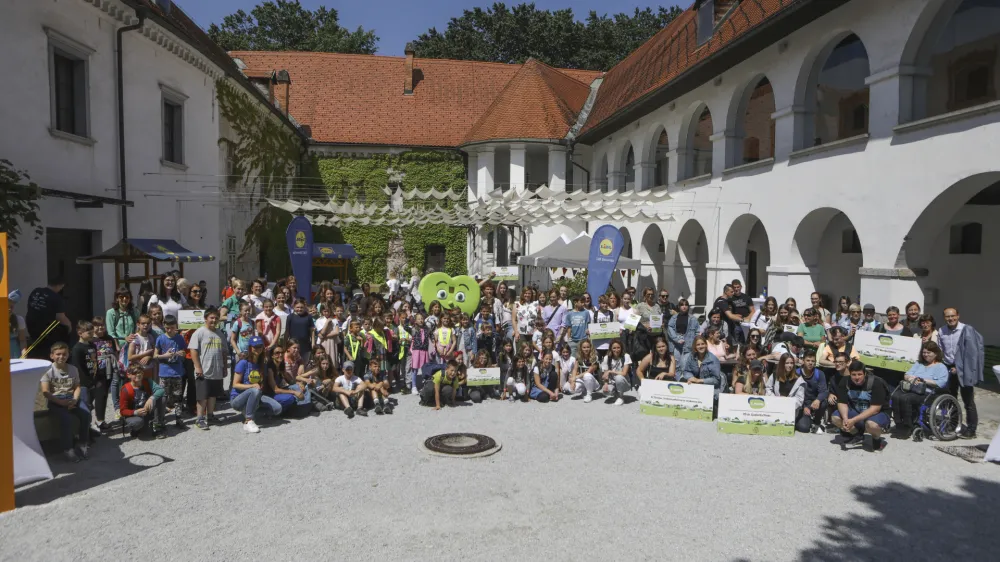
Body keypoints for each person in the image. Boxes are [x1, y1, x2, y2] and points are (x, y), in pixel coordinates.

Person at [40, 342, 93, 461]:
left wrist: (74, 400)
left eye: (64, 354)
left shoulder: (73, 369)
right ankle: (68, 449)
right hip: (56, 400)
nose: (61, 357)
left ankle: (82, 444)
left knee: (86, 414)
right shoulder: (48, 371)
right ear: (52, 356)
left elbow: (77, 386)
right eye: (58, 354)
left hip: (71, 398)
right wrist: (61, 403)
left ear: (68, 355)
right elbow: (45, 392)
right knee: (66, 419)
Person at [938, 307, 984, 439]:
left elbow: (971, 354)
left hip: (964, 368)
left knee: (968, 400)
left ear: (958, 316)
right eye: (947, 316)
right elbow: (941, 350)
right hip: (948, 366)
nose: (950, 319)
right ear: (944, 318)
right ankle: (952, 423)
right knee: (950, 398)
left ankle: (971, 429)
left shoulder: (966, 330)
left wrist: (959, 368)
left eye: (953, 316)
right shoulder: (942, 331)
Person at [892, 341, 950, 440]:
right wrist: (910, 378)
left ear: (935, 353)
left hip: (928, 393)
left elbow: (941, 383)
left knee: (906, 399)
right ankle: (899, 423)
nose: (926, 355)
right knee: (895, 396)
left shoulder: (941, 367)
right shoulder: (919, 363)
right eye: (924, 352)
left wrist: (924, 380)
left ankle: (907, 426)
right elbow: (907, 374)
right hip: (912, 389)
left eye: (929, 353)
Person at [830, 360, 891, 452]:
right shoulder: (845, 382)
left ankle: (876, 439)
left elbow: (875, 409)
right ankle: (857, 434)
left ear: (865, 374)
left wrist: (853, 420)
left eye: (859, 374)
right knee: (835, 417)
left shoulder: (876, 383)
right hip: (857, 411)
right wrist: (846, 419)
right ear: (850, 374)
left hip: (877, 413)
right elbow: (842, 402)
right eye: (854, 375)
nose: (857, 377)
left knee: (871, 425)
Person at [229, 336, 283, 433]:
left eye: (260, 346)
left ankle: (250, 410)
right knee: (255, 390)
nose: (257, 349)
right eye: (255, 347)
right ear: (250, 348)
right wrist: (252, 386)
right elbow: (235, 384)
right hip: (238, 398)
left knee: (277, 409)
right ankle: (248, 420)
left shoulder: (262, 364)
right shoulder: (243, 362)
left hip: (256, 394)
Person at [189, 307, 229, 430]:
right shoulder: (199, 332)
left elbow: (223, 351)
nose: (214, 320)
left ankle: (210, 416)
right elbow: (193, 350)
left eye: (216, 318)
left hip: (217, 369)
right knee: (202, 396)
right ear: (206, 318)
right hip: (204, 370)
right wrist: (197, 367)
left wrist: (224, 366)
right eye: (211, 317)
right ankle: (200, 418)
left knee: (213, 395)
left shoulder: (220, 333)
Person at [154, 315, 187, 428]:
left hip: (177, 372)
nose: (170, 330)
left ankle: (179, 419)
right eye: (167, 328)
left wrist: (181, 353)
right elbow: (155, 356)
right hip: (164, 373)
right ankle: (161, 420)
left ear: (176, 327)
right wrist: (165, 355)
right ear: (164, 326)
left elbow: (183, 351)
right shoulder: (160, 338)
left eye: (172, 327)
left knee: (178, 397)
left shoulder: (180, 338)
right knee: (163, 397)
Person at [69, 320, 101, 434]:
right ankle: (83, 432)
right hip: (83, 383)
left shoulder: (92, 345)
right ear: (80, 333)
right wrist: (86, 382)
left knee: (90, 406)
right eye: (89, 333)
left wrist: (96, 379)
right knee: (85, 407)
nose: (92, 335)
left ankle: (88, 429)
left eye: (92, 333)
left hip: (93, 381)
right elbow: (78, 368)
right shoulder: (77, 349)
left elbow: (95, 362)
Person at [119, 364, 167, 439]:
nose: (138, 375)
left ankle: (157, 427)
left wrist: (151, 398)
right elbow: (122, 411)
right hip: (136, 414)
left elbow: (161, 390)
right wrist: (135, 412)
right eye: (135, 373)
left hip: (147, 410)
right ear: (129, 375)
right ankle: (136, 429)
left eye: (140, 372)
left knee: (162, 397)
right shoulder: (125, 389)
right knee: (137, 423)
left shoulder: (147, 381)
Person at [796, 350, 828, 433]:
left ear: (815, 362)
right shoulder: (797, 373)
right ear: (803, 361)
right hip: (801, 404)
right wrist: (803, 407)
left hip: (814, 403)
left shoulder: (819, 374)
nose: (810, 363)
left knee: (823, 401)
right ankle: (807, 419)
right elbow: (793, 394)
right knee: (804, 428)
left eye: (813, 361)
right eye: (808, 360)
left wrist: (818, 400)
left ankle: (817, 422)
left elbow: (824, 391)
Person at [600, 339, 632, 406]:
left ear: (621, 348)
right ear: (611, 349)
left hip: (624, 382)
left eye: (618, 348)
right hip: (612, 382)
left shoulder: (626, 356)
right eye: (614, 348)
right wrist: (605, 384)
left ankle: (620, 396)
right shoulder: (607, 358)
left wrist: (610, 371)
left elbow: (624, 373)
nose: (616, 350)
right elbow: (605, 375)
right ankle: (616, 395)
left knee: (619, 377)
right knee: (606, 391)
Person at [727, 279, 755, 344]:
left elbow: (753, 311)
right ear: (732, 288)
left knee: (747, 342)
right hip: (736, 325)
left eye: (738, 287)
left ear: (741, 287)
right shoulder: (730, 298)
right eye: (734, 287)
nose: (736, 289)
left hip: (746, 324)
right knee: (736, 344)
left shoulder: (747, 297)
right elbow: (729, 312)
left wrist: (747, 318)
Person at [8, 290, 28, 359]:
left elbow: (22, 340)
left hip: (14, 353)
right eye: (6, 306)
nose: (9, 309)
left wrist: (24, 355)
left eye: (11, 306)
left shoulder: (19, 319)